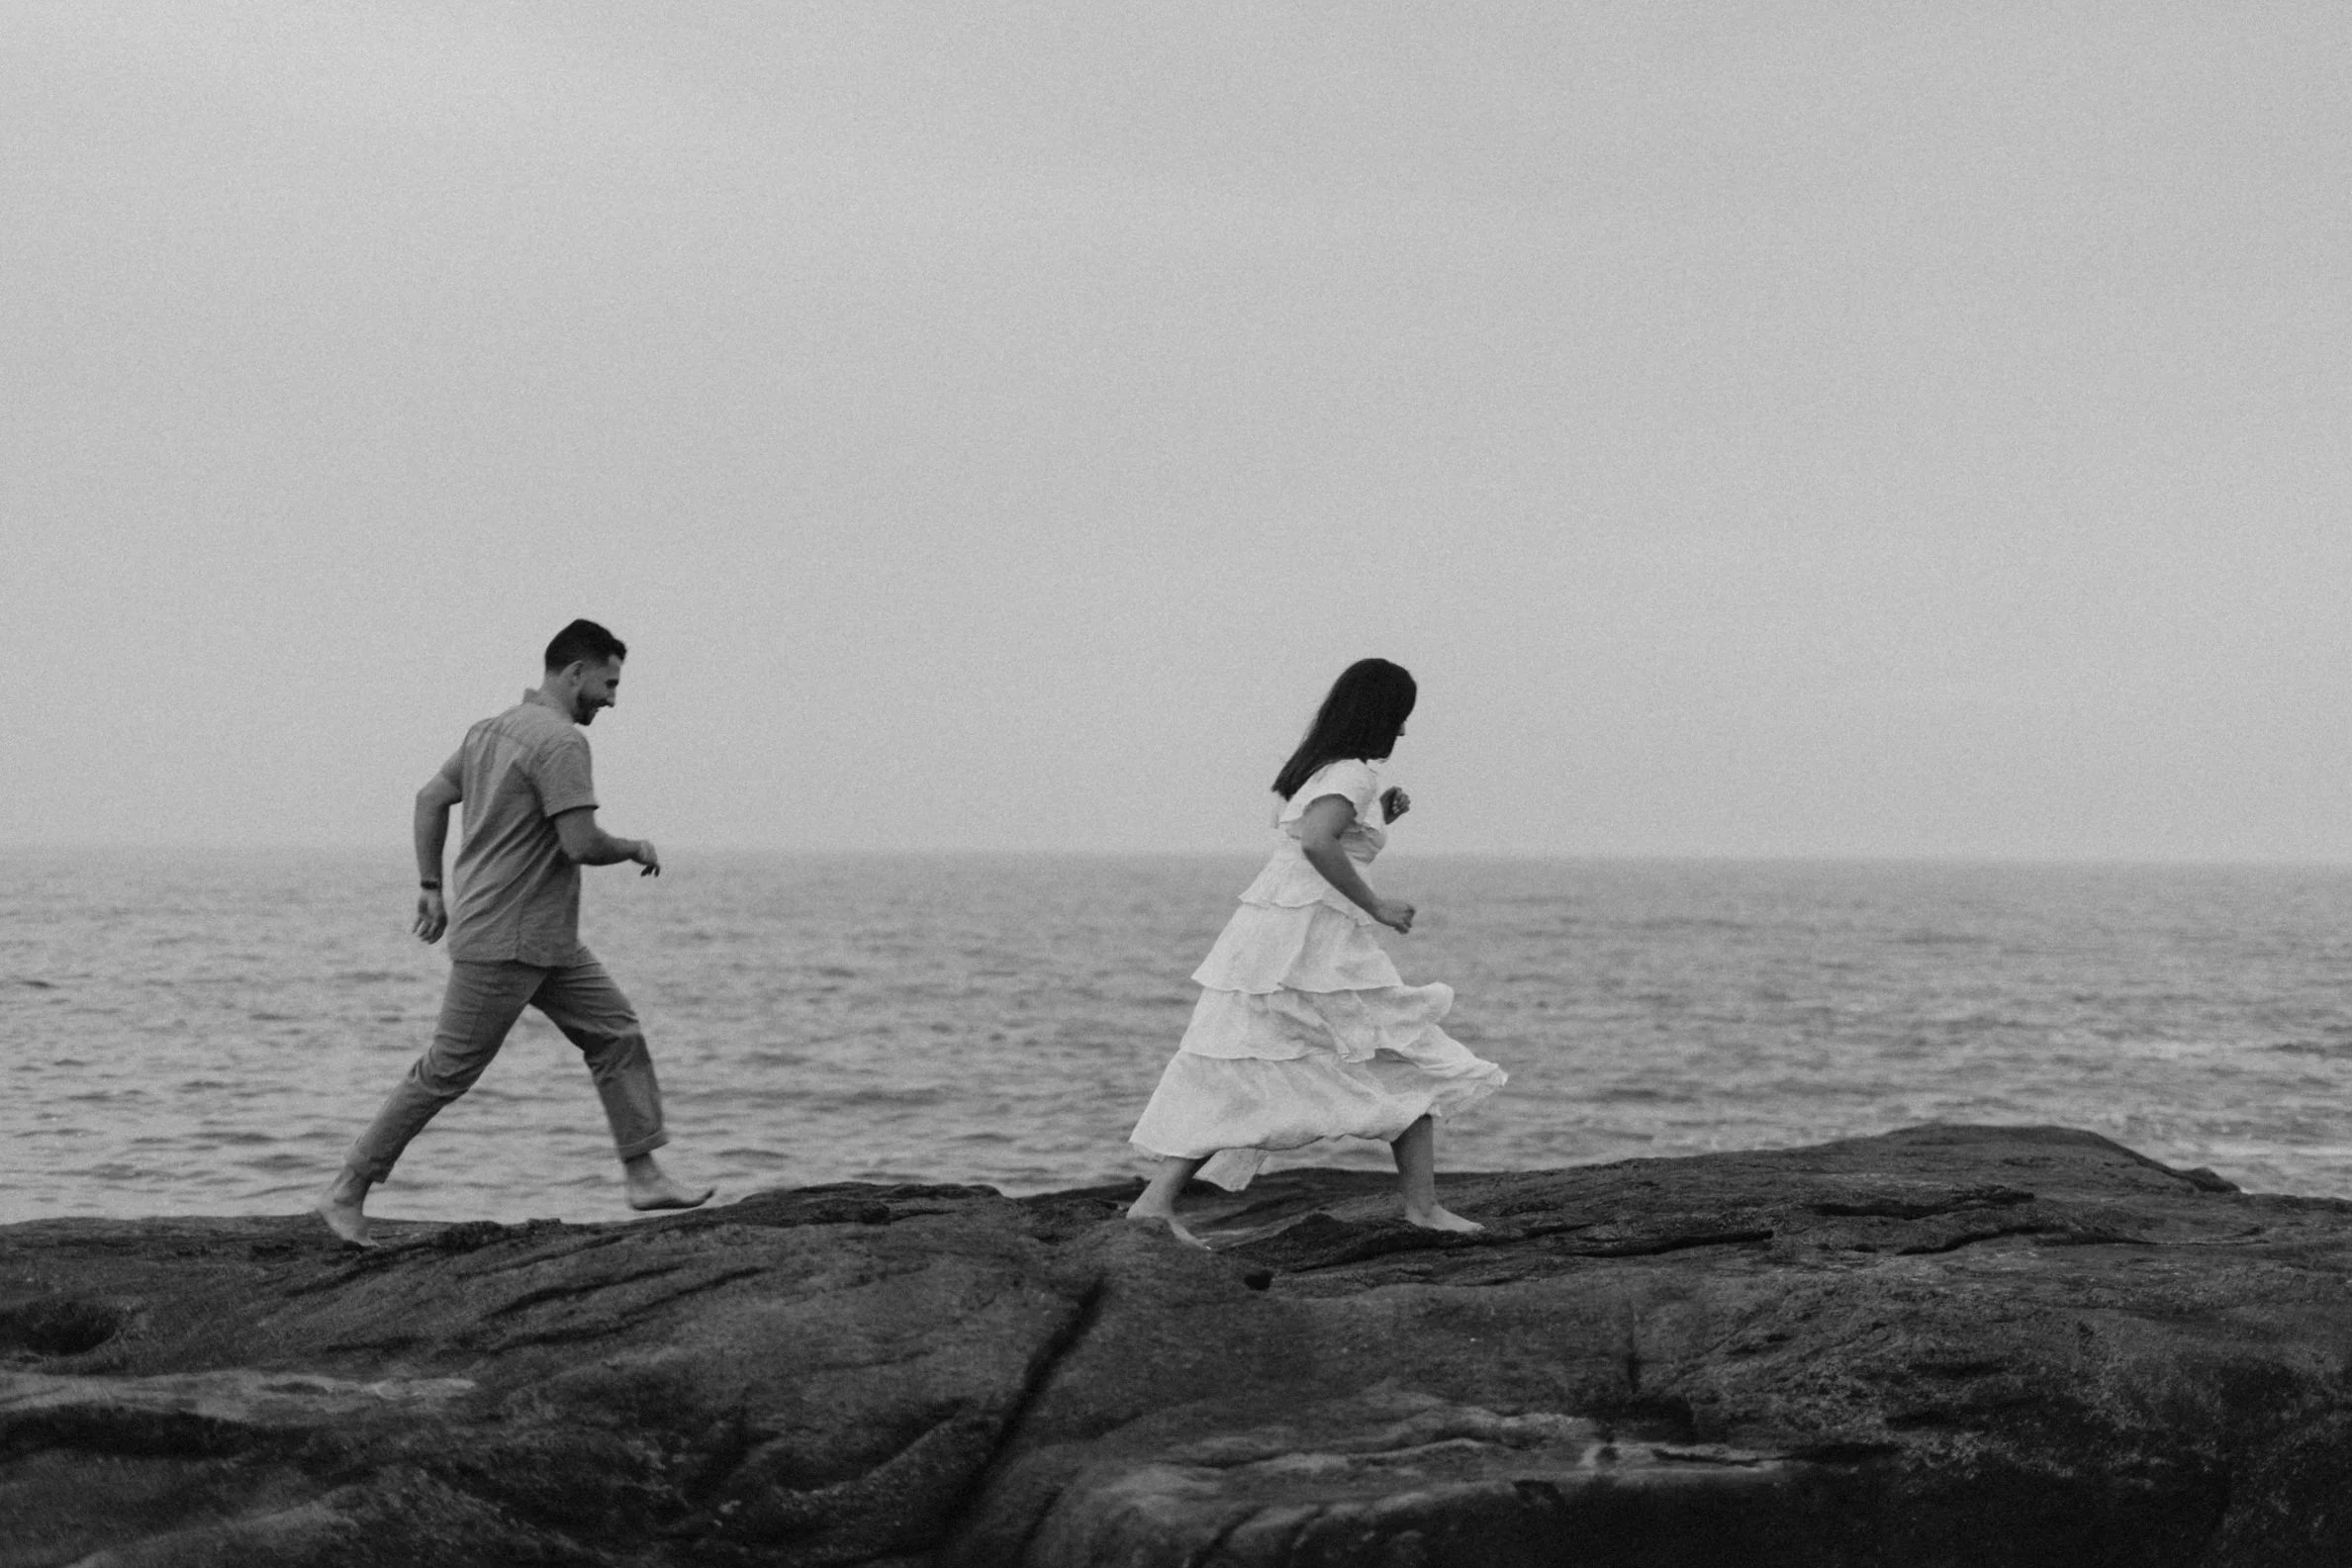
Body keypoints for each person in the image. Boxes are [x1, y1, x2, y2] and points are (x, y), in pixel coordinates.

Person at [315, 619, 710, 1246]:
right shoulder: (560, 743)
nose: (611, 699)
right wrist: (635, 846)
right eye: (607, 683)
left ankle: (643, 1175)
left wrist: (429, 887)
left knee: (615, 1032)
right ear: (573, 672)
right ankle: (345, 1193)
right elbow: (579, 843)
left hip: (544, 937)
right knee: (445, 1071)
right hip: (508, 937)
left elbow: (428, 798)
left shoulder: (490, 730)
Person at [1126, 658, 1506, 1246]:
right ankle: (1423, 1210)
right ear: (1382, 716)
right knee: (1405, 1056)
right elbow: (1315, 840)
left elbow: (1327, 837)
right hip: (1309, 941)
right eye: (1401, 718)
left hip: (1275, 937)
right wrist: (1378, 906)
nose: (1403, 732)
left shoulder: (1320, 770)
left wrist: (1382, 815)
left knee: (1244, 1063)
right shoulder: (1351, 774)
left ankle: (1156, 1201)